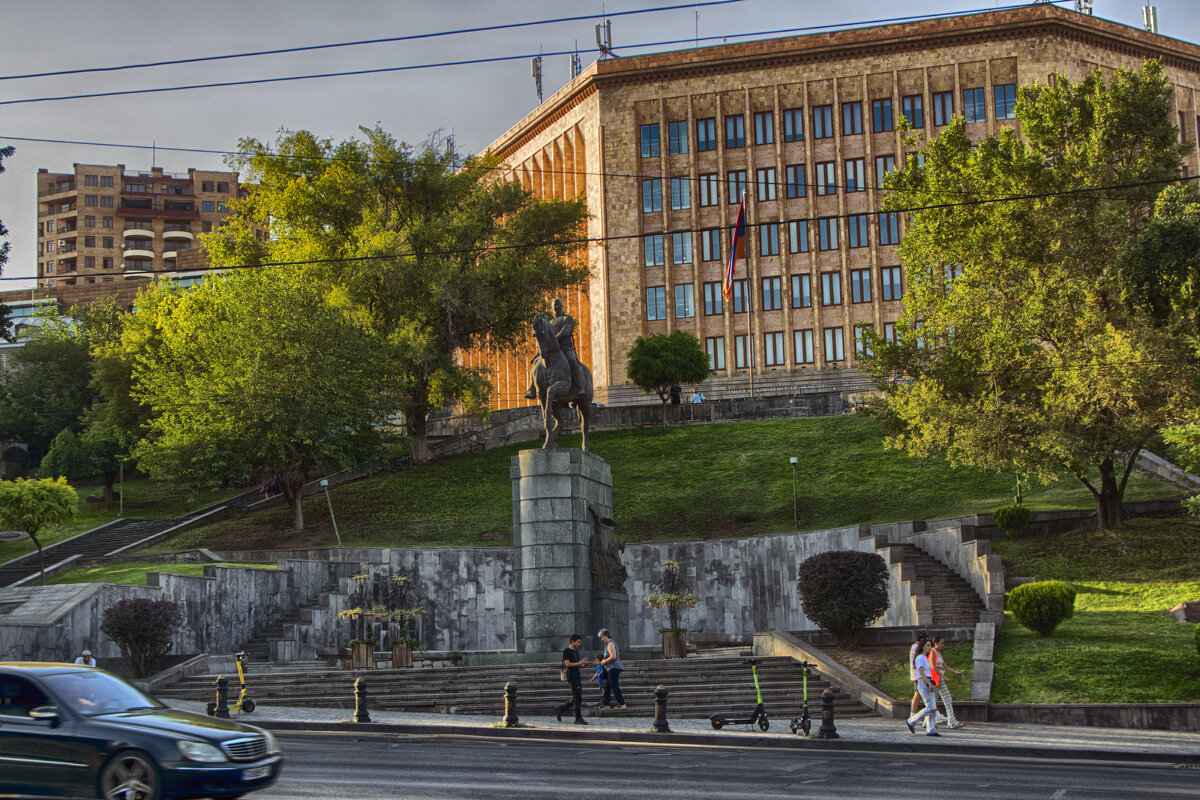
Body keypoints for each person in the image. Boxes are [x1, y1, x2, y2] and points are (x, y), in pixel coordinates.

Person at [525, 298, 582, 400]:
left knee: (572, 359)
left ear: (562, 306)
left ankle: (580, 386)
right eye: (554, 305)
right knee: (536, 362)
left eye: (558, 305)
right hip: (550, 350)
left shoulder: (567, 319)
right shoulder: (549, 322)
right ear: (551, 307)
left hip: (565, 348)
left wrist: (553, 341)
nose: (556, 307)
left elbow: (565, 332)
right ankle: (532, 389)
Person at [906, 639, 940, 736]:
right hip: (923, 683)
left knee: (932, 707)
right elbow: (921, 673)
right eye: (928, 645)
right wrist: (929, 683)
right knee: (931, 706)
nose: (930, 647)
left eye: (930, 645)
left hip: (928, 681)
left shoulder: (925, 658)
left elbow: (926, 672)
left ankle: (931, 729)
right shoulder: (920, 658)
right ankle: (912, 721)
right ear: (923, 647)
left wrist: (931, 682)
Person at [931, 637, 966, 729]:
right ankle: (952, 722)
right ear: (936, 643)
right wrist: (944, 677)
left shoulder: (938, 653)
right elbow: (933, 667)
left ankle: (930, 722)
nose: (943, 645)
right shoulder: (932, 652)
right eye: (941, 643)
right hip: (935, 679)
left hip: (938, 678)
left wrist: (955, 672)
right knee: (942, 699)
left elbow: (944, 665)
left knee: (934, 701)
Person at [555, 634, 590, 724]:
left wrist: (583, 665)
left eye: (580, 642)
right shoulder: (567, 651)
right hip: (572, 676)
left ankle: (561, 709)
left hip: (577, 675)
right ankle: (578, 718)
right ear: (572, 641)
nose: (579, 644)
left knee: (577, 697)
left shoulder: (576, 651)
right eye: (578, 642)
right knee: (577, 697)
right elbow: (567, 664)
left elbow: (576, 665)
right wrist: (580, 662)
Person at [597, 628, 626, 709]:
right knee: (608, 686)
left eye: (602, 637)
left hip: (613, 667)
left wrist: (604, 661)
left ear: (606, 636)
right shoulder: (608, 644)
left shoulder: (610, 644)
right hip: (610, 668)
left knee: (614, 685)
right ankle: (606, 704)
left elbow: (613, 656)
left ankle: (622, 703)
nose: (601, 639)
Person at [908, 632, 927, 715]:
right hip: (917, 675)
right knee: (917, 694)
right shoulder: (916, 648)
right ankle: (912, 715)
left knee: (920, 695)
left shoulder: (914, 647)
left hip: (918, 674)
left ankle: (914, 715)